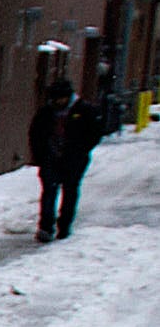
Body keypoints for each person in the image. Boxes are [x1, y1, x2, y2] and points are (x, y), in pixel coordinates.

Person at [28, 75, 111, 241]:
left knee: (70, 191)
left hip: (73, 160)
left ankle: (64, 225)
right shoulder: (46, 112)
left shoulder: (85, 110)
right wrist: (40, 155)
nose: (58, 102)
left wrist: (80, 150)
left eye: (61, 98)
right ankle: (46, 226)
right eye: (55, 99)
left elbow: (95, 132)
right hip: (51, 158)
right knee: (49, 192)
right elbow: (35, 133)